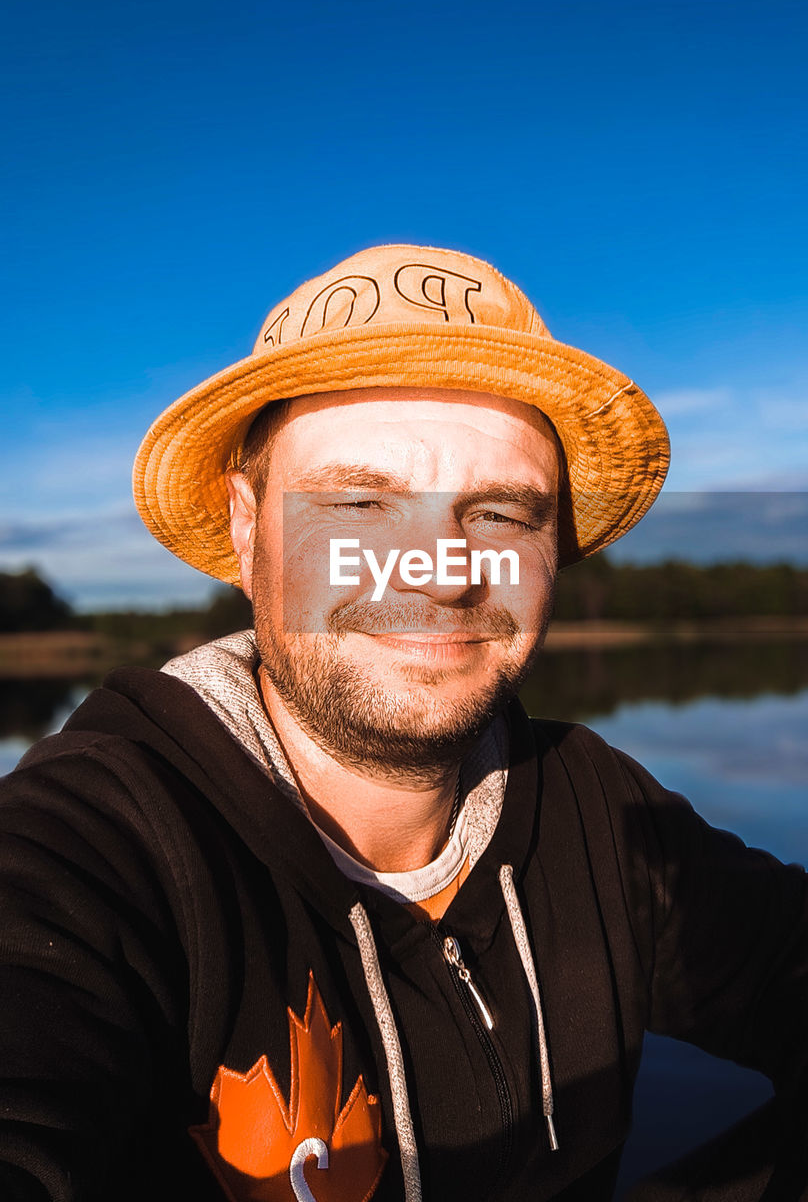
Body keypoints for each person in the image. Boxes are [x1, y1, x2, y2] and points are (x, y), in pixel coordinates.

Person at [1, 244, 807, 1202]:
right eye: (359, 505)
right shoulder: (88, 850)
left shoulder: (597, 806)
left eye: (500, 513)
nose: (440, 571)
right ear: (246, 527)